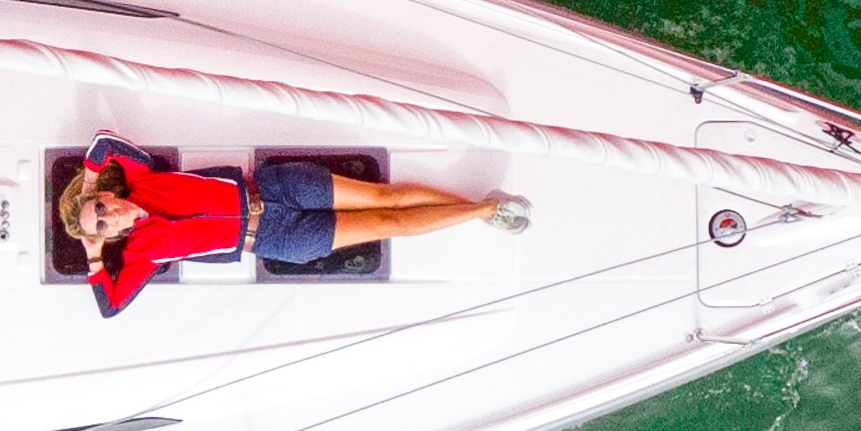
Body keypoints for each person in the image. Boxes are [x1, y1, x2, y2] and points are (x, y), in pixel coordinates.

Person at [55, 136, 527, 316]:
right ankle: (483, 211)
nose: (106, 216)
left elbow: (102, 147)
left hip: (278, 188)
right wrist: (94, 251)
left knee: (386, 195)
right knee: (390, 223)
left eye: (99, 206)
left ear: (108, 196)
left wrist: (87, 183)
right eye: (99, 224)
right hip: (277, 240)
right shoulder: (141, 254)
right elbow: (109, 305)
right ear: (107, 234)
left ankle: (484, 208)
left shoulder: (142, 179)